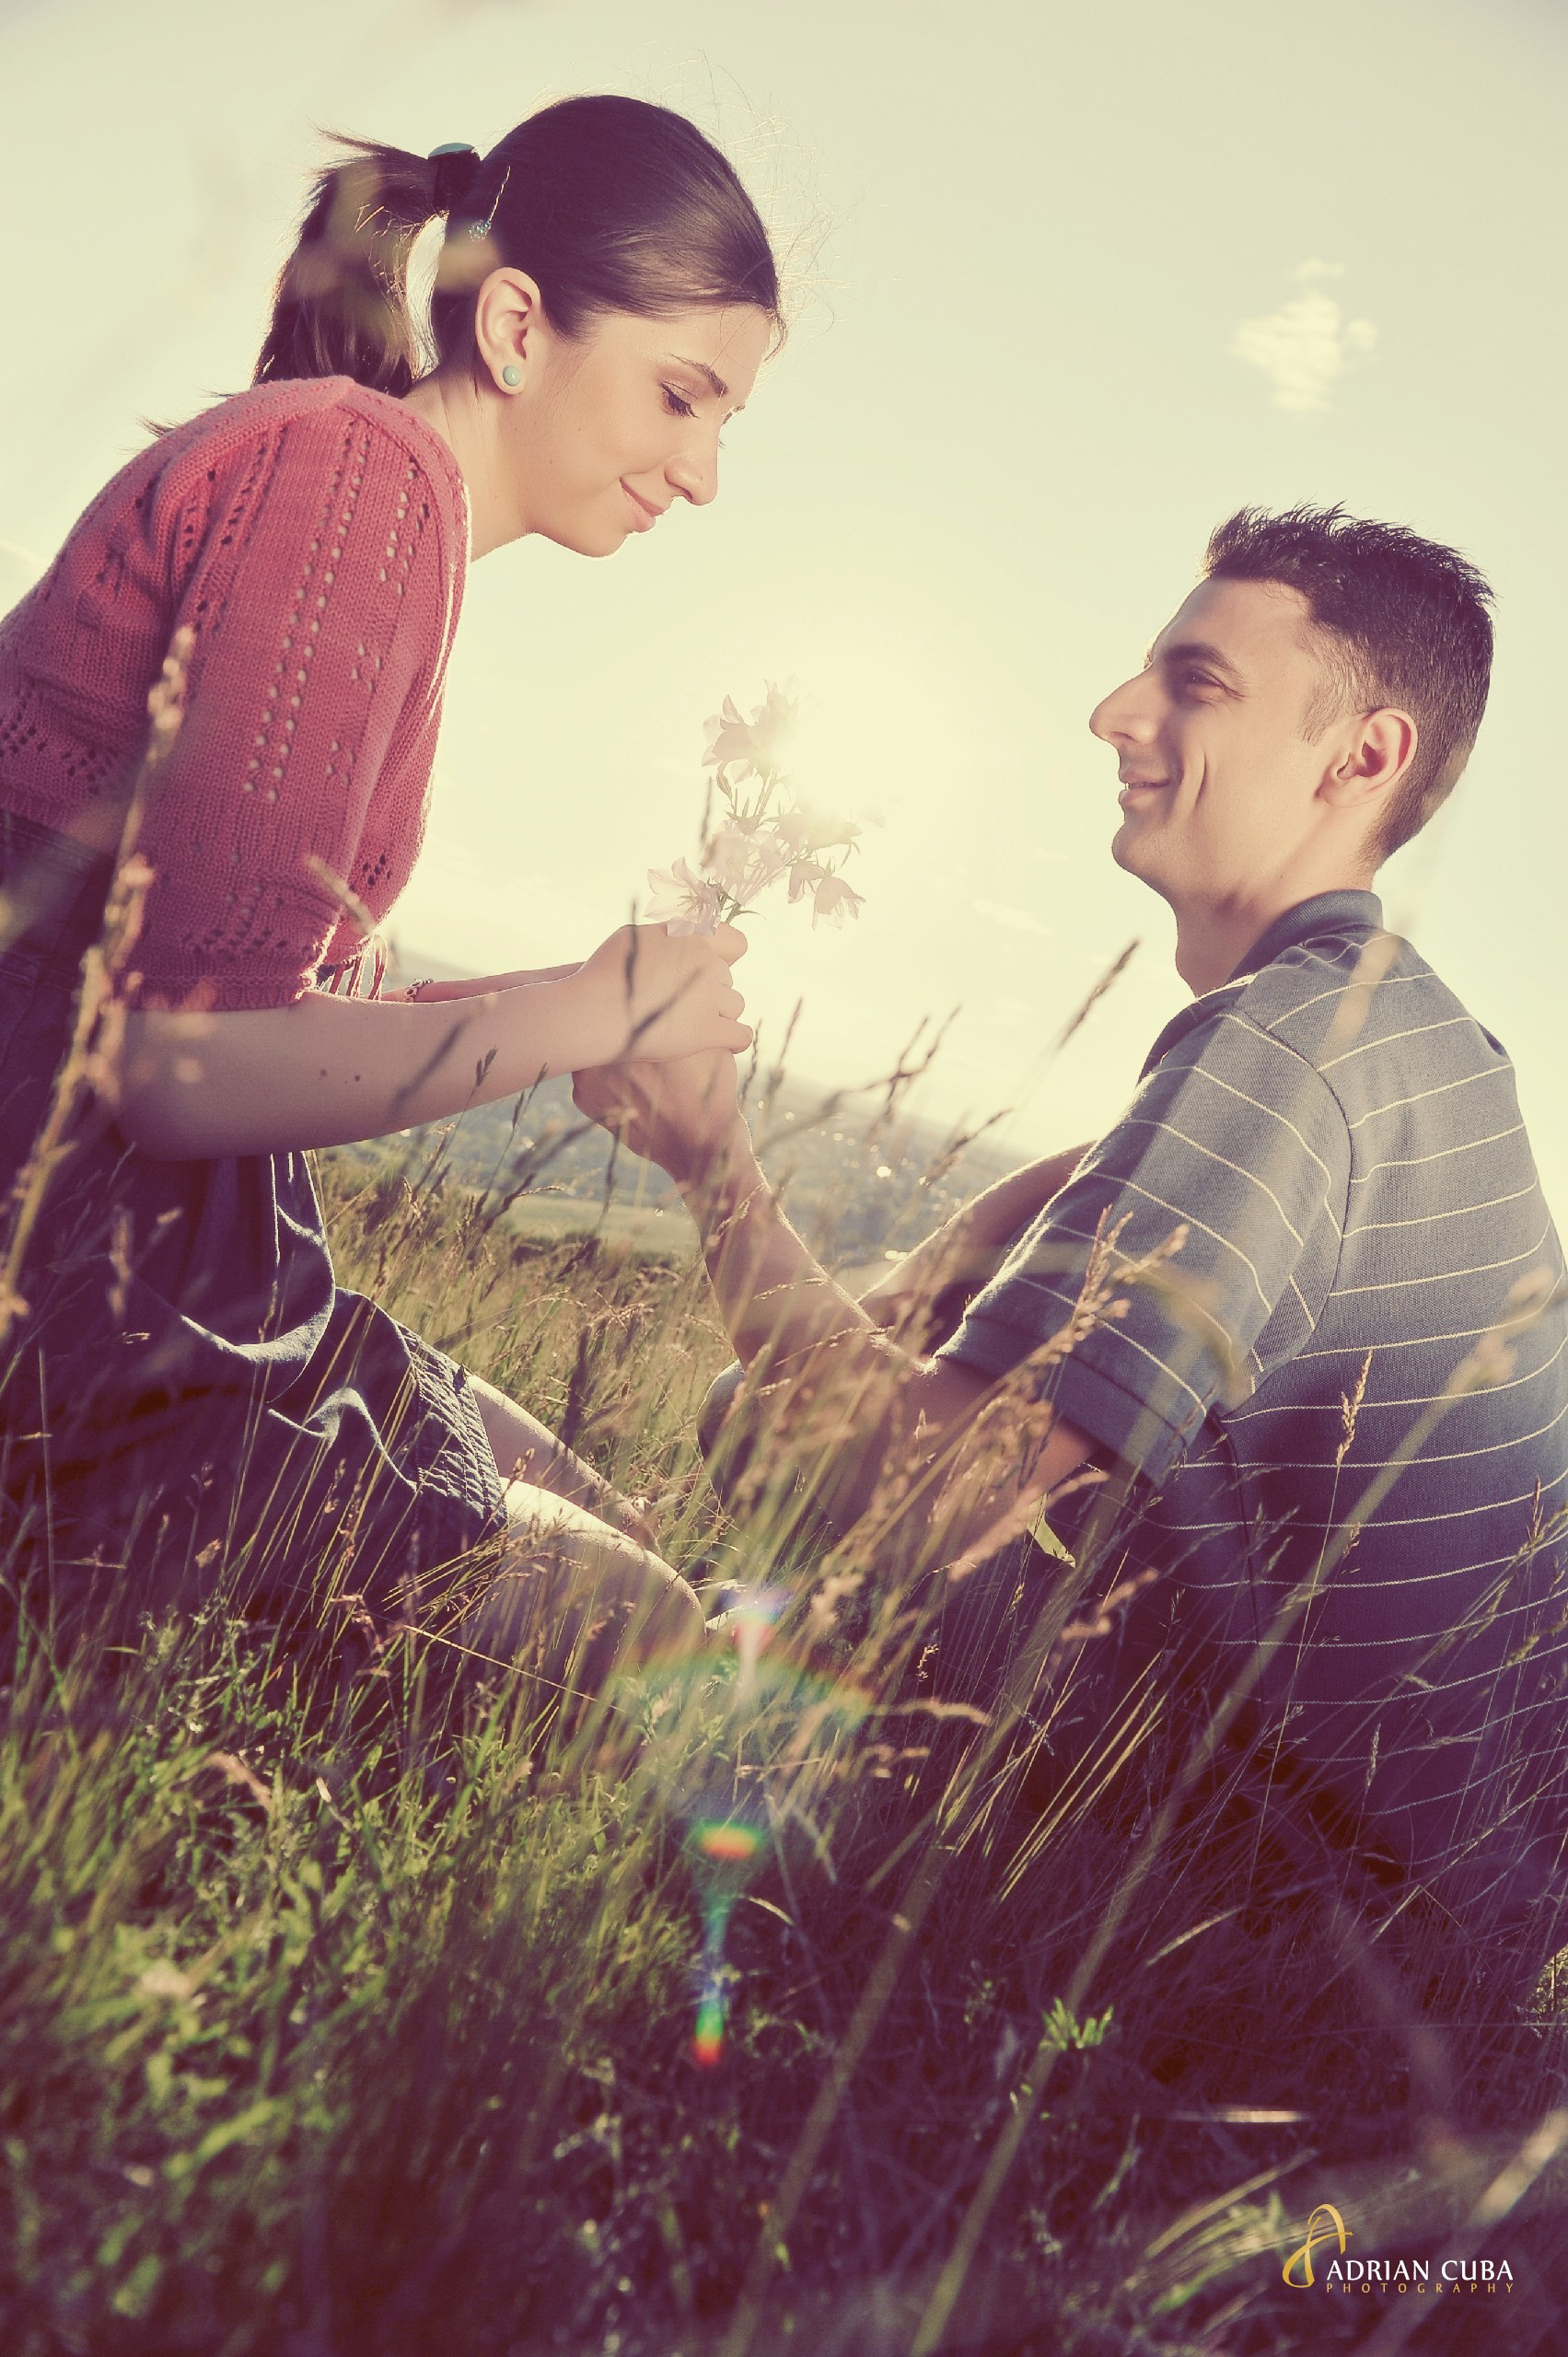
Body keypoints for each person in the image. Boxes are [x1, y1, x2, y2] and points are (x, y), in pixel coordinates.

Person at [574, 506, 1568, 1997]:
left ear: (1364, 756)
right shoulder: (1414, 1038)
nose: (1117, 715)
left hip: (1288, 1917)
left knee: (720, 1488)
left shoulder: (1279, 1059)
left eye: (1196, 683)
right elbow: (1135, 1188)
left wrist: (713, 1168)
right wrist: (953, 1255)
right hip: (1456, 1887)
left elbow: (920, 1504)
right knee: (774, 1451)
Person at [0, 98, 775, 1678]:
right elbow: (177, 1063)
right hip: (64, 1267)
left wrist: (574, 996)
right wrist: (583, 1010)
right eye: (681, 397)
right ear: (514, 324)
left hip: (126, 1225)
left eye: (726, 424)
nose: (701, 473)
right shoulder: (357, 479)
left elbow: (243, 995)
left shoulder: (351, 479)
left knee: (575, 1493)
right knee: (650, 1633)